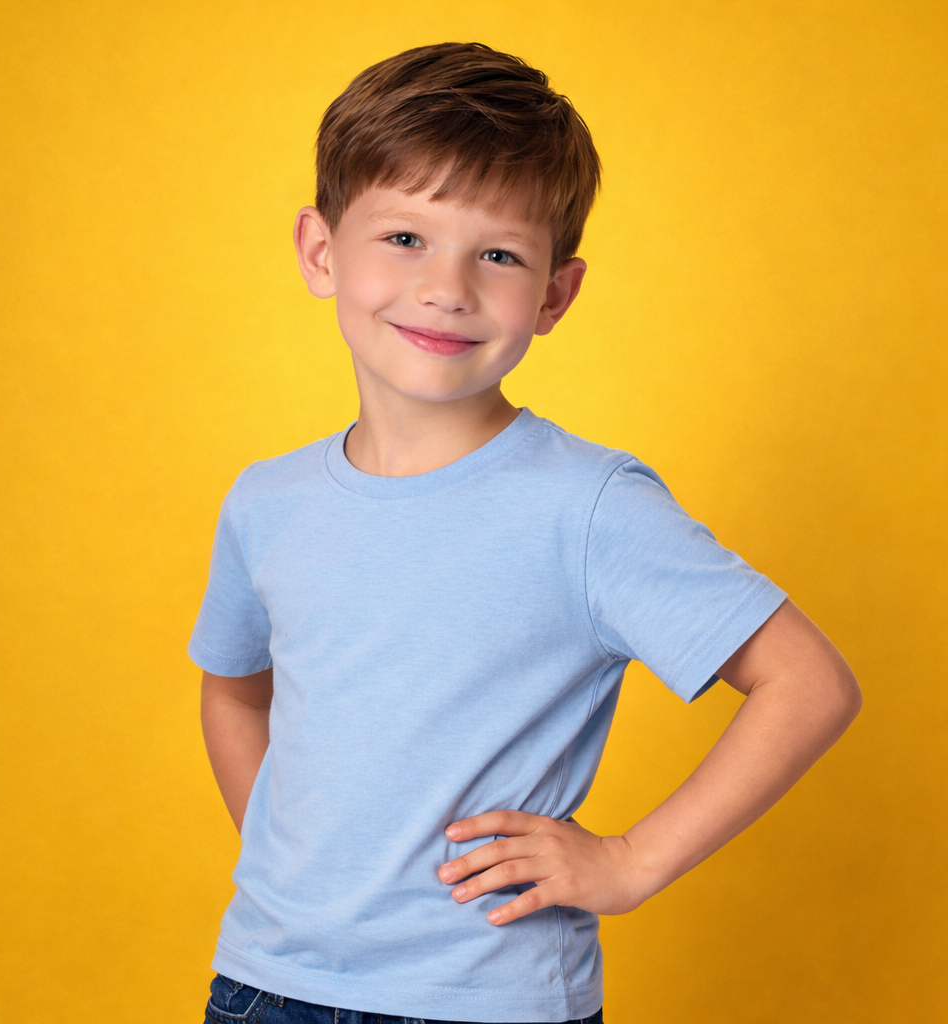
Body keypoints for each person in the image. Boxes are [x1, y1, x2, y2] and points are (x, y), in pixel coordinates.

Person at [189, 42, 861, 1024]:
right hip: (266, 987)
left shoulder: (588, 506)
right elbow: (234, 693)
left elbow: (809, 683)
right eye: (405, 237)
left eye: (497, 254)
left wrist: (630, 860)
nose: (447, 286)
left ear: (553, 294)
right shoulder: (266, 500)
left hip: (488, 1001)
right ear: (321, 251)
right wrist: (294, 868)